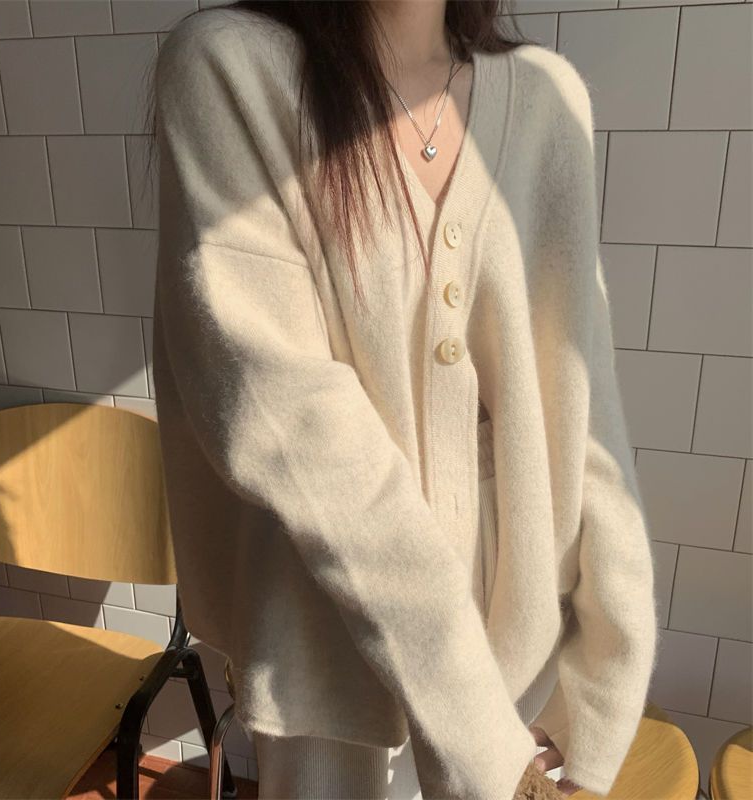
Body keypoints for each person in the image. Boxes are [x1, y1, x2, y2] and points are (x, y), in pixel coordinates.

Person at [149, 1, 660, 798]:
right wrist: (484, 742)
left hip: (518, 647)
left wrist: (607, 682)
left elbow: (585, 404)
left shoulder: (545, 99)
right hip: (326, 653)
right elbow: (282, 415)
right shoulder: (232, 69)